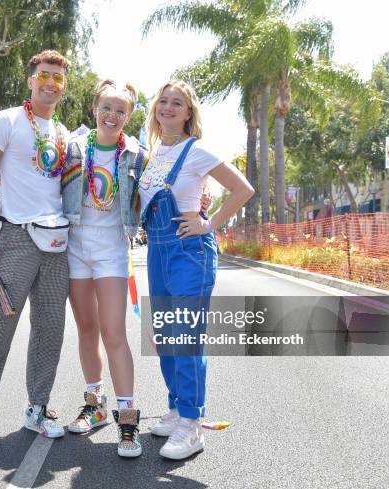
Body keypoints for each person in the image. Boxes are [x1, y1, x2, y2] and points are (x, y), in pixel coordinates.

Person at [0, 50, 71, 449]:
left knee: (50, 331)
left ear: (64, 85)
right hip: (16, 239)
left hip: (57, 244)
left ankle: (37, 408)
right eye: (44, 75)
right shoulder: (7, 120)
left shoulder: (62, 132)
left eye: (58, 78)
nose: (50, 83)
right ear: (31, 79)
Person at [138, 80, 254, 460]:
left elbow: (242, 189)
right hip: (157, 249)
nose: (168, 108)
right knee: (164, 334)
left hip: (190, 251)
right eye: (164, 102)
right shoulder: (154, 153)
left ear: (189, 113)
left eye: (177, 104)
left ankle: (191, 425)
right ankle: (175, 409)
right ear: (156, 108)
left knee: (186, 335)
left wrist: (208, 223)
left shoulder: (198, 150)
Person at [61, 79, 146, 457]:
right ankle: (95, 405)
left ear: (129, 115)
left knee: (114, 332)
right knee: (87, 330)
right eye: (106, 107)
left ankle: (127, 423)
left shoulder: (137, 156)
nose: (112, 115)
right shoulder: (73, 150)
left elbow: (159, 191)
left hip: (112, 250)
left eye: (121, 110)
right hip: (75, 247)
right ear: (94, 109)